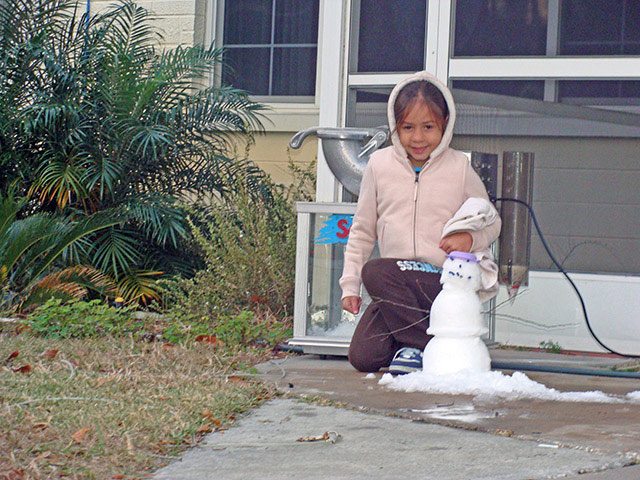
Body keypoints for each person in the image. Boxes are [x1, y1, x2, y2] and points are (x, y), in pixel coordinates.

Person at [340, 70, 501, 374]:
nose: (418, 138)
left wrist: (469, 239)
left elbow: (491, 222)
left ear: (445, 126)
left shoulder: (459, 169)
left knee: (375, 270)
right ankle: (431, 345)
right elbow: (362, 231)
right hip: (394, 283)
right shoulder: (379, 166)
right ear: (395, 127)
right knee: (364, 357)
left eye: (428, 127)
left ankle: (419, 347)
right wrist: (350, 286)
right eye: (408, 127)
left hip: (438, 282)